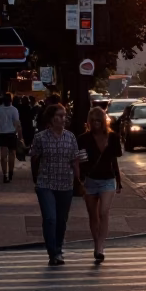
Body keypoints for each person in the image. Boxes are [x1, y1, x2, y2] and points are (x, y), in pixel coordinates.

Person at [29, 102, 82, 266]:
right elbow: (34, 158)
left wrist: (79, 181)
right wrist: (35, 178)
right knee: (50, 218)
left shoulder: (70, 137)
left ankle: (58, 248)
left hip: (65, 184)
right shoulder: (41, 137)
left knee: (61, 219)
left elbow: (74, 161)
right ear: (51, 119)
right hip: (46, 183)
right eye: (59, 116)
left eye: (64, 116)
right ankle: (52, 252)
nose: (62, 119)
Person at [78, 106, 123, 263]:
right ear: (89, 122)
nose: (96, 123)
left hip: (107, 180)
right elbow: (80, 161)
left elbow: (114, 159)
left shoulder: (113, 137)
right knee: (93, 215)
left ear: (104, 121)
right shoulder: (83, 139)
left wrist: (118, 180)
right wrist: (79, 180)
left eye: (99, 120)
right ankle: (96, 243)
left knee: (104, 212)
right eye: (93, 120)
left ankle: (100, 246)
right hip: (90, 180)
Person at [0, 92, 22, 183]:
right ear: (11, 100)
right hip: (12, 134)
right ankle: (11, 172)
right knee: (12, 154)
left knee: (3, 156)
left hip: (2, 134)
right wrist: (20, 135)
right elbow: (17, 123)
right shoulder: (14, 110)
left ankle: (5, 174)